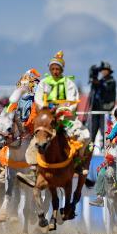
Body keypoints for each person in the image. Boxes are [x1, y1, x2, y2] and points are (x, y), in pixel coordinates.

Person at [17, 50, 91, 187]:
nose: (55, 71)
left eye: (58, 69)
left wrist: (60, 109)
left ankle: (78, 164)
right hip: (47, 119)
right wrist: (47, 109)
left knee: (85, 136)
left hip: (64, 118)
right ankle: (34, 172)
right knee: (35, 141)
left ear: (62, 69)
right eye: (53, 68)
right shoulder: (44, 83)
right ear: (50, 69)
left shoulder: (68, 83)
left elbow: (73, 101)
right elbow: (38, 101)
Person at [89, 107, 117, 207]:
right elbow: (107, 149)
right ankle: (100, 197)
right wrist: (109, 157)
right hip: (114, 161)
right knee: (103, 173)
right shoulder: (110, 131)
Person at [88, 61, 116, 147]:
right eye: (102, 70)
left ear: (109, 71)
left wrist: (98, 83)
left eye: (105, 70)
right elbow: (94, 92)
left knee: (105, 131)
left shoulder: (111, 81)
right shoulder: (100, 81)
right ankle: (89, 149)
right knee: (92, 131)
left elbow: (106, 89)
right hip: (96, 109)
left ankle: (106, 150)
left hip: (105, 111)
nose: (103, 72)